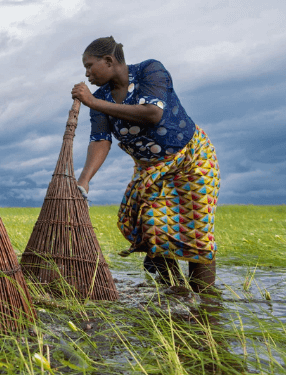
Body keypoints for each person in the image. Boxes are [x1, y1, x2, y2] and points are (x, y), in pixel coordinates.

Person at [71, 37, 220, 293]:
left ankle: (206, 302)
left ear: (108, 61)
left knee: (195, 232)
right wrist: (84, 179)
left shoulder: (149, 71)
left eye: (89, 65)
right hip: (150, 169)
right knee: (152, 227)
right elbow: (100, 141)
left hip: (191, 161)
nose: (86, 73)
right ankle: (175, 293)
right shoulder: (101, 98)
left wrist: (93, 102)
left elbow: (153, 113)